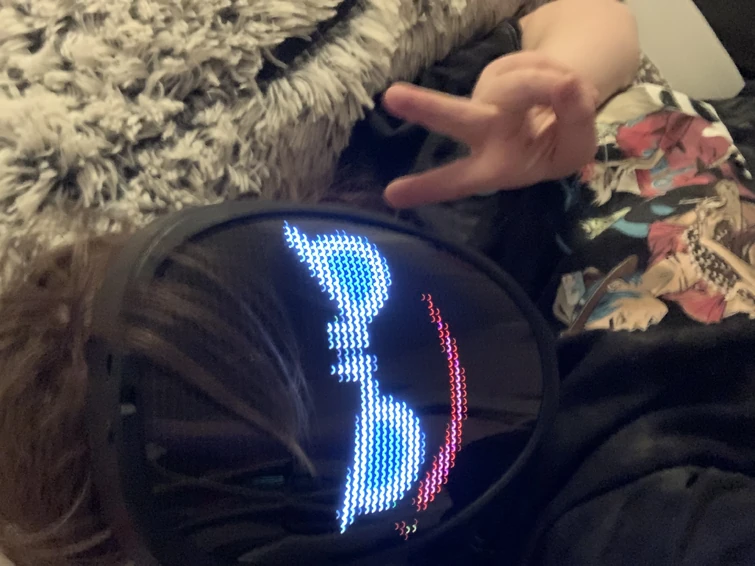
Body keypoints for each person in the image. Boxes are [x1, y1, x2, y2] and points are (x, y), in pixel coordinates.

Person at [3, 1, 755, 565]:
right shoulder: (617, 514)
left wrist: (560, 81)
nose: (413, 358)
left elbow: (587, 14)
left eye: (348, 282)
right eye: (383, 449)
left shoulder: (428, 164)